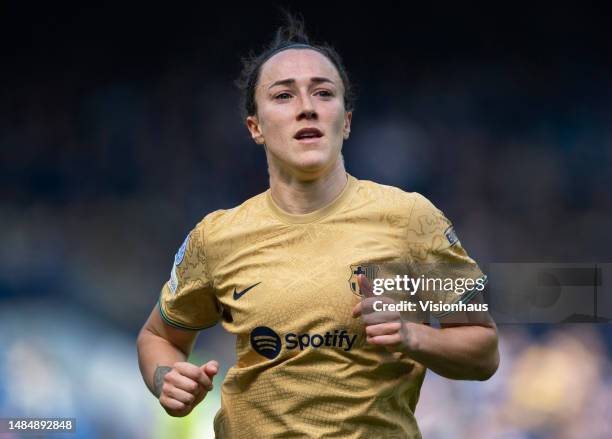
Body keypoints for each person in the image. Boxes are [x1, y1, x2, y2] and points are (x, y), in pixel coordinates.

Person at [136, 13, 499, 439]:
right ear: (255, 127)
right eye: (284, 95)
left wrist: (413, 336)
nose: (306, 106)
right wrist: (166, 378)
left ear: (345, 121)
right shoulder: (217, 236)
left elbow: (482, 347)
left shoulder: (410, 220)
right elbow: (158, 336)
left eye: (323, 93)